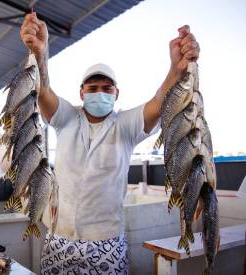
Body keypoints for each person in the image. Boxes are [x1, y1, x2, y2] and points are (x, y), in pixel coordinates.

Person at [20, 13, 200, 274]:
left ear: (117, 94)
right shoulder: (67, 117)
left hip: (107, 243)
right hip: (59, 239)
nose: (99, 93)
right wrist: (39, 53)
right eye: (92, 88)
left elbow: (159, 102)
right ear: (81, 93)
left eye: (107, 88)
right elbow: (43, 91)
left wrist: (177, 68)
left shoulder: (125, 125)